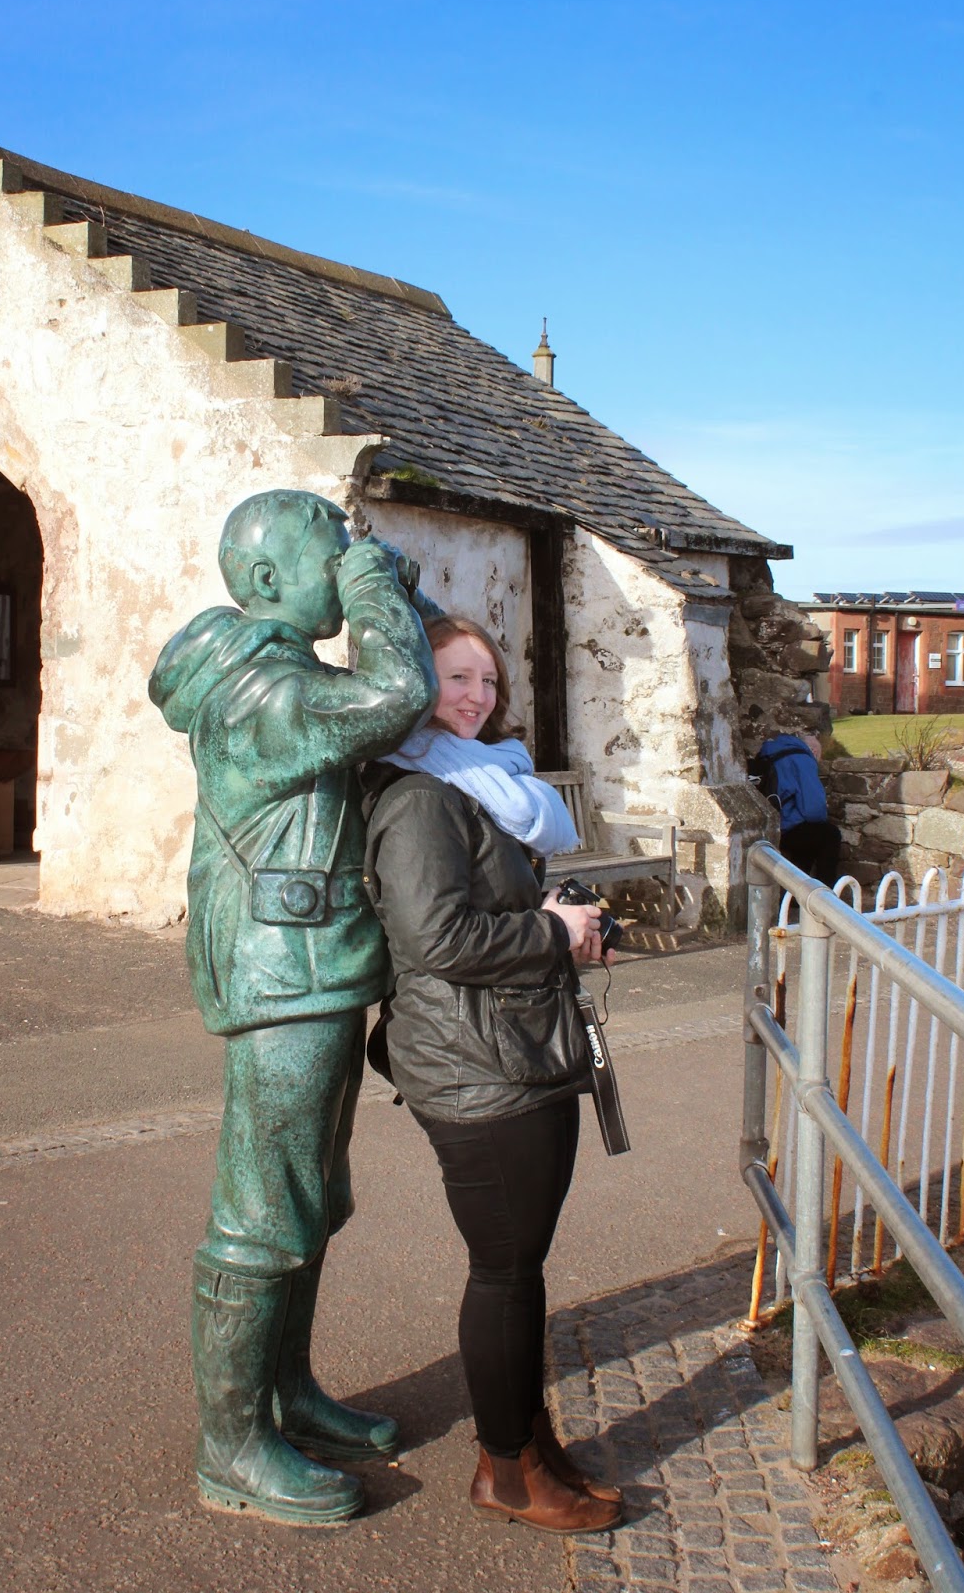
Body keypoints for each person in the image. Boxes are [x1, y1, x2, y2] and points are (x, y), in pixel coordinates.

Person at [148, 490, 438, 1525]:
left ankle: (286, 1392)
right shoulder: (264, 692)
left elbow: (399, 678)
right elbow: (400, 692)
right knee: (262, 1212)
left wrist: (388, 589)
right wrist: (376, 594)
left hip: (313, 963)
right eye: (333, 553)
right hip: (284, 975)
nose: (349, 562)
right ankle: (232, 1446)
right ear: (268, 581)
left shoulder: (285, 675)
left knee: (311, 1197)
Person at [361, 614, 624, 1534]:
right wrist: (551, 929)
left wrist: (565, 922)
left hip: (511, 1051)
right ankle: (507, 1471)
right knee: (505, 1273)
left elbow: (487, 909)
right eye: (454, 677)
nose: (475, 696)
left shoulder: (476, 784)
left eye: (487, 680)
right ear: (411, 683)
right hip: (477, 1070)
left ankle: (530, 1441)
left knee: (521, 1268)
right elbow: (436, 938)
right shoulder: (419, 797)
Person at [752, 731, 842, 887]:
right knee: (830, 835)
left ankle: (795, 892)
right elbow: (814, 810)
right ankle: (825, 894)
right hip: (784, 828)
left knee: (808, 838)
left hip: (764, 825)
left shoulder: (768, 752)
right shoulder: (802, 758)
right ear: (813, 751)